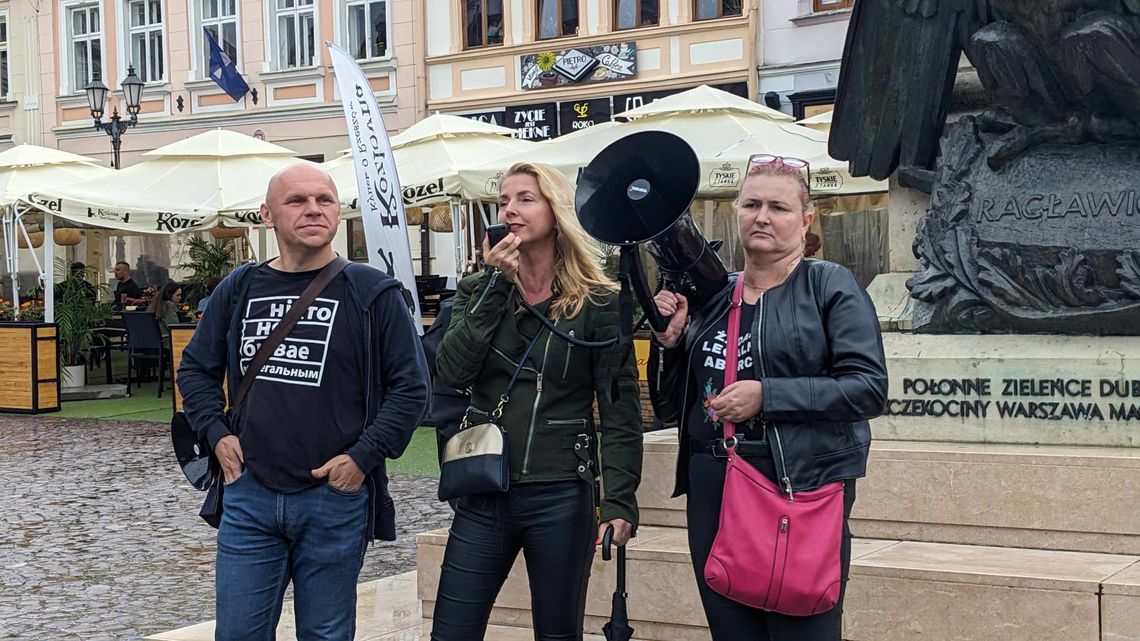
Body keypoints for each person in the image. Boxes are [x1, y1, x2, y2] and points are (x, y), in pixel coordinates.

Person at [177, 164, 430, 640]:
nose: (313, 209)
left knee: (326, 635)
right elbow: (195, 369)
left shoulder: (372, 292)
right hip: (249, 492)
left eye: (325, 200)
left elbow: (413, 388)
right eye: (297, 201)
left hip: (333, 497)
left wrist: (361, 458)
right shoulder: (240, 288)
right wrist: (215, 431)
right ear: (266, 216)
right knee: (236, 634)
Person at [648, 156, 888, 641]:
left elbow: (868, 387)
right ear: (736, 211)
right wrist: (670, 345)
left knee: (803, 625)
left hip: (796, 481)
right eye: (751, 204)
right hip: (713, 482)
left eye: (778, 206)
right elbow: (671, 406)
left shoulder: (830, 286)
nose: (762, 216)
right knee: (730, 628)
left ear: (805, 219)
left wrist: (769, 396)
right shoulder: (716, 296)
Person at [431, 162, 643, 641]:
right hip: (484, 488)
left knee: (557, 633)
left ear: (556, 209)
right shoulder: (478, 288)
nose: (510, 210)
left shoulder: (599, 303)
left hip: (561, 492)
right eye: (504, 200)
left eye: (525, 198)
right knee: (451, 632)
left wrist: (619, 502)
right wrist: (495, 283)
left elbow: (619, 410)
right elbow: (453, 370)